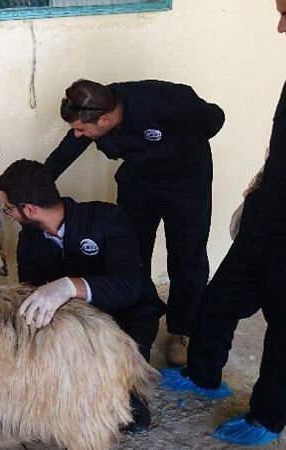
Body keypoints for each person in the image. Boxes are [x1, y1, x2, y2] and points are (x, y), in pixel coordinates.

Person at [160, 2, 286, 446]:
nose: (280, 26)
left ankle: (269, 417)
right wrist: (257, 195)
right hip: (265, 219)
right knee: (218, 301)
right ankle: (203, 374)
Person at [44, 78, 225, 366]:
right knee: (129, 255)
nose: (77, 134)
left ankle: (183, 330)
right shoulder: (93, 110)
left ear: (104, 120)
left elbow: (214, 120)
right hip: (138, 185)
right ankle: (135, 321)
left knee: (187, 258)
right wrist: (37, 185)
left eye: (81, 129)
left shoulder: (165, 102)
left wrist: (176, 149)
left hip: (186, 187)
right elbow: (67, 150)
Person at [0, 159, 166, 433]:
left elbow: (128, 288)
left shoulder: (108, 218)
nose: (10, 215)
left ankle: (127, 388)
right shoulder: (29, 240)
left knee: (126, 409)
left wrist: (69, 286)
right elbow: (30, 291)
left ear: (29, 209)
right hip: (73, 319)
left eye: (9, 209)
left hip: (128, 314)